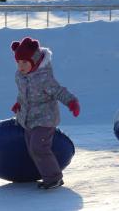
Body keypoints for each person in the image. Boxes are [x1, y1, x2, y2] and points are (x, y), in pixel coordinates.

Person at [10, 37, 80, 189]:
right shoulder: (20, 76)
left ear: (34, 61)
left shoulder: (44, 78)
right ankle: (47, 174)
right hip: (29, 118)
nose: (20, 66)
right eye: (18, 62)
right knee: (32, 148)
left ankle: (54, 178)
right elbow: (24, 94)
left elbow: (58, 91)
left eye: (25, 62)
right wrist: (18, 104)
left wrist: (71, 102)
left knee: (38, 147)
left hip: (45, 119)